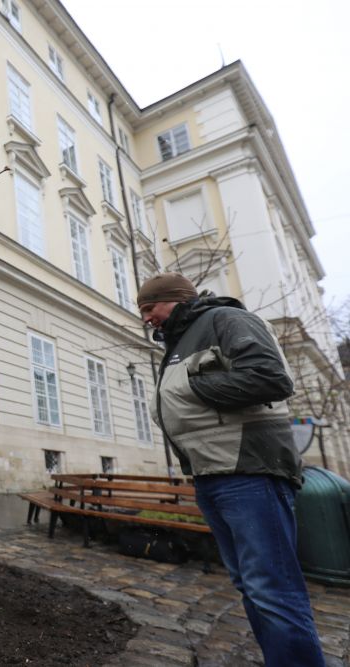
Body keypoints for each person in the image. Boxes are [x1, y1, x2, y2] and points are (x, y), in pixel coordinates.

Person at [138, 272, 325, 667]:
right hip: (214, 474)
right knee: (250, 585)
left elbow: (270, 378)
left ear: (172, 299)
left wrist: (191, 388)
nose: (146, 319)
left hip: (250, 472)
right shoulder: (179, 341)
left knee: (271, 588)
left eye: (149, 308)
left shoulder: (226, 320)